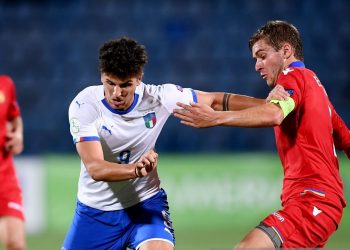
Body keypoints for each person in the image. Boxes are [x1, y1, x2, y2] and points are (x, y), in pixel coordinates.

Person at [62, 36, 288, 250]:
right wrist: (135, 169)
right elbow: (95, 168)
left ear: (139, 77)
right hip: (95, 212)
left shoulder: (160, 97)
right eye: (110, 83)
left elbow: (216, 101)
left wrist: (265, 103)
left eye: (125, 85)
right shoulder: (85, 105)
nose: (116, 93)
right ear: (101, 75)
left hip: (145, 205)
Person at [173, 20, 350, 248]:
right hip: (320, 202)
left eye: (262, 56)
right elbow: (346, 139)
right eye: (256, 59)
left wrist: (215, 118)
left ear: (286, 51)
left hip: (312, 199)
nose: (257, 65)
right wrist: (215, 101)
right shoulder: (315, 88)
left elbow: (274, 114)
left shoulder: (292, 75)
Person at [0, 75, 25, 250]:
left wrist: (18, 134)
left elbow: (14, 117)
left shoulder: (6, 84)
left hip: (4, 177)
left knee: (15, 244)